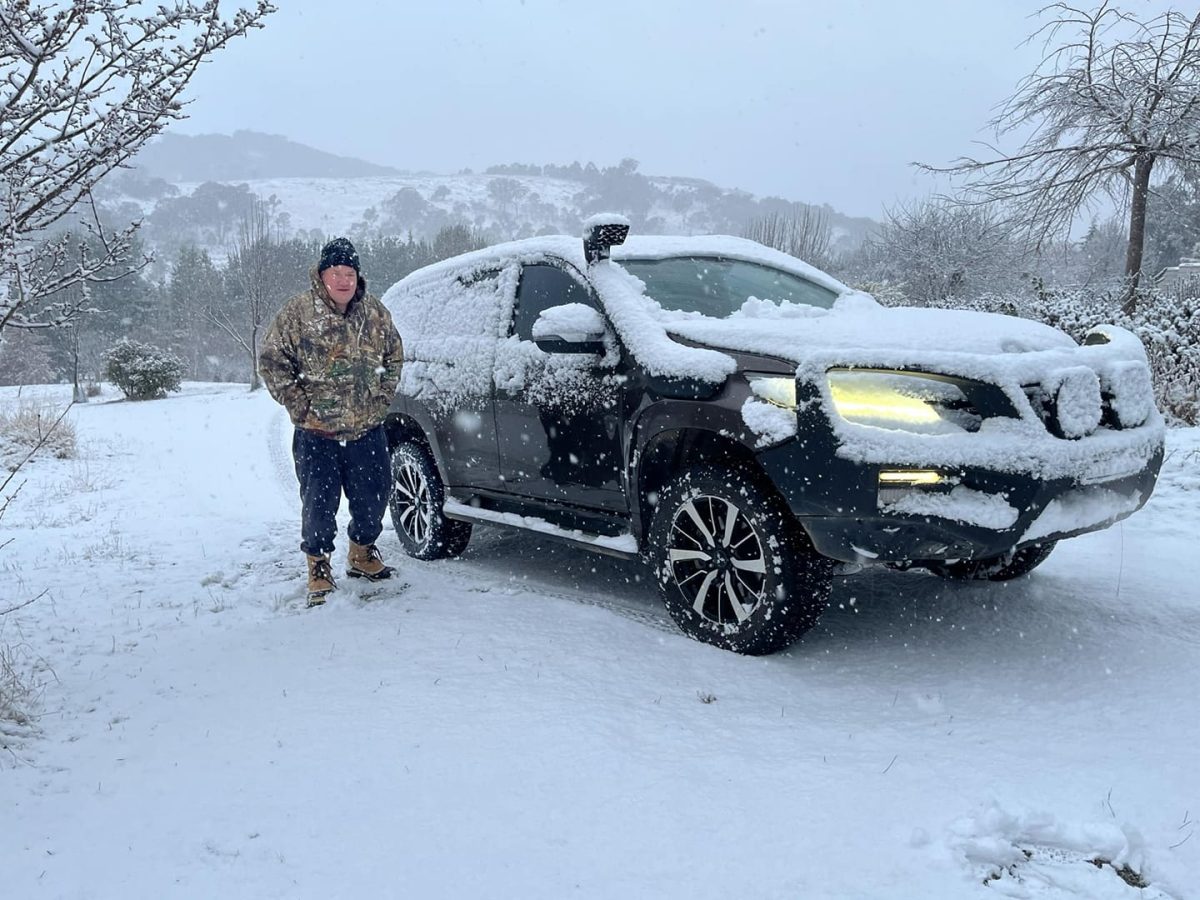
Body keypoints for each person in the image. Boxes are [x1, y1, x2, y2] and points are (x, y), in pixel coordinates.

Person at [259, 237, 404, 606]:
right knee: (319, 506)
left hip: (366, 432)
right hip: (317, 434)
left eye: (349, 273)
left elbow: (394, 356)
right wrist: (300, 406)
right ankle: (318, 565)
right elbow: (274, 361)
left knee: (373, 500)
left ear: (358, 276)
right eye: (335, 273)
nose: (343, 280)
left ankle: (361, 553)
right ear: (322, 275)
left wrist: (381, 399)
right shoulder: (298, 313)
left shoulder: (375, 313)